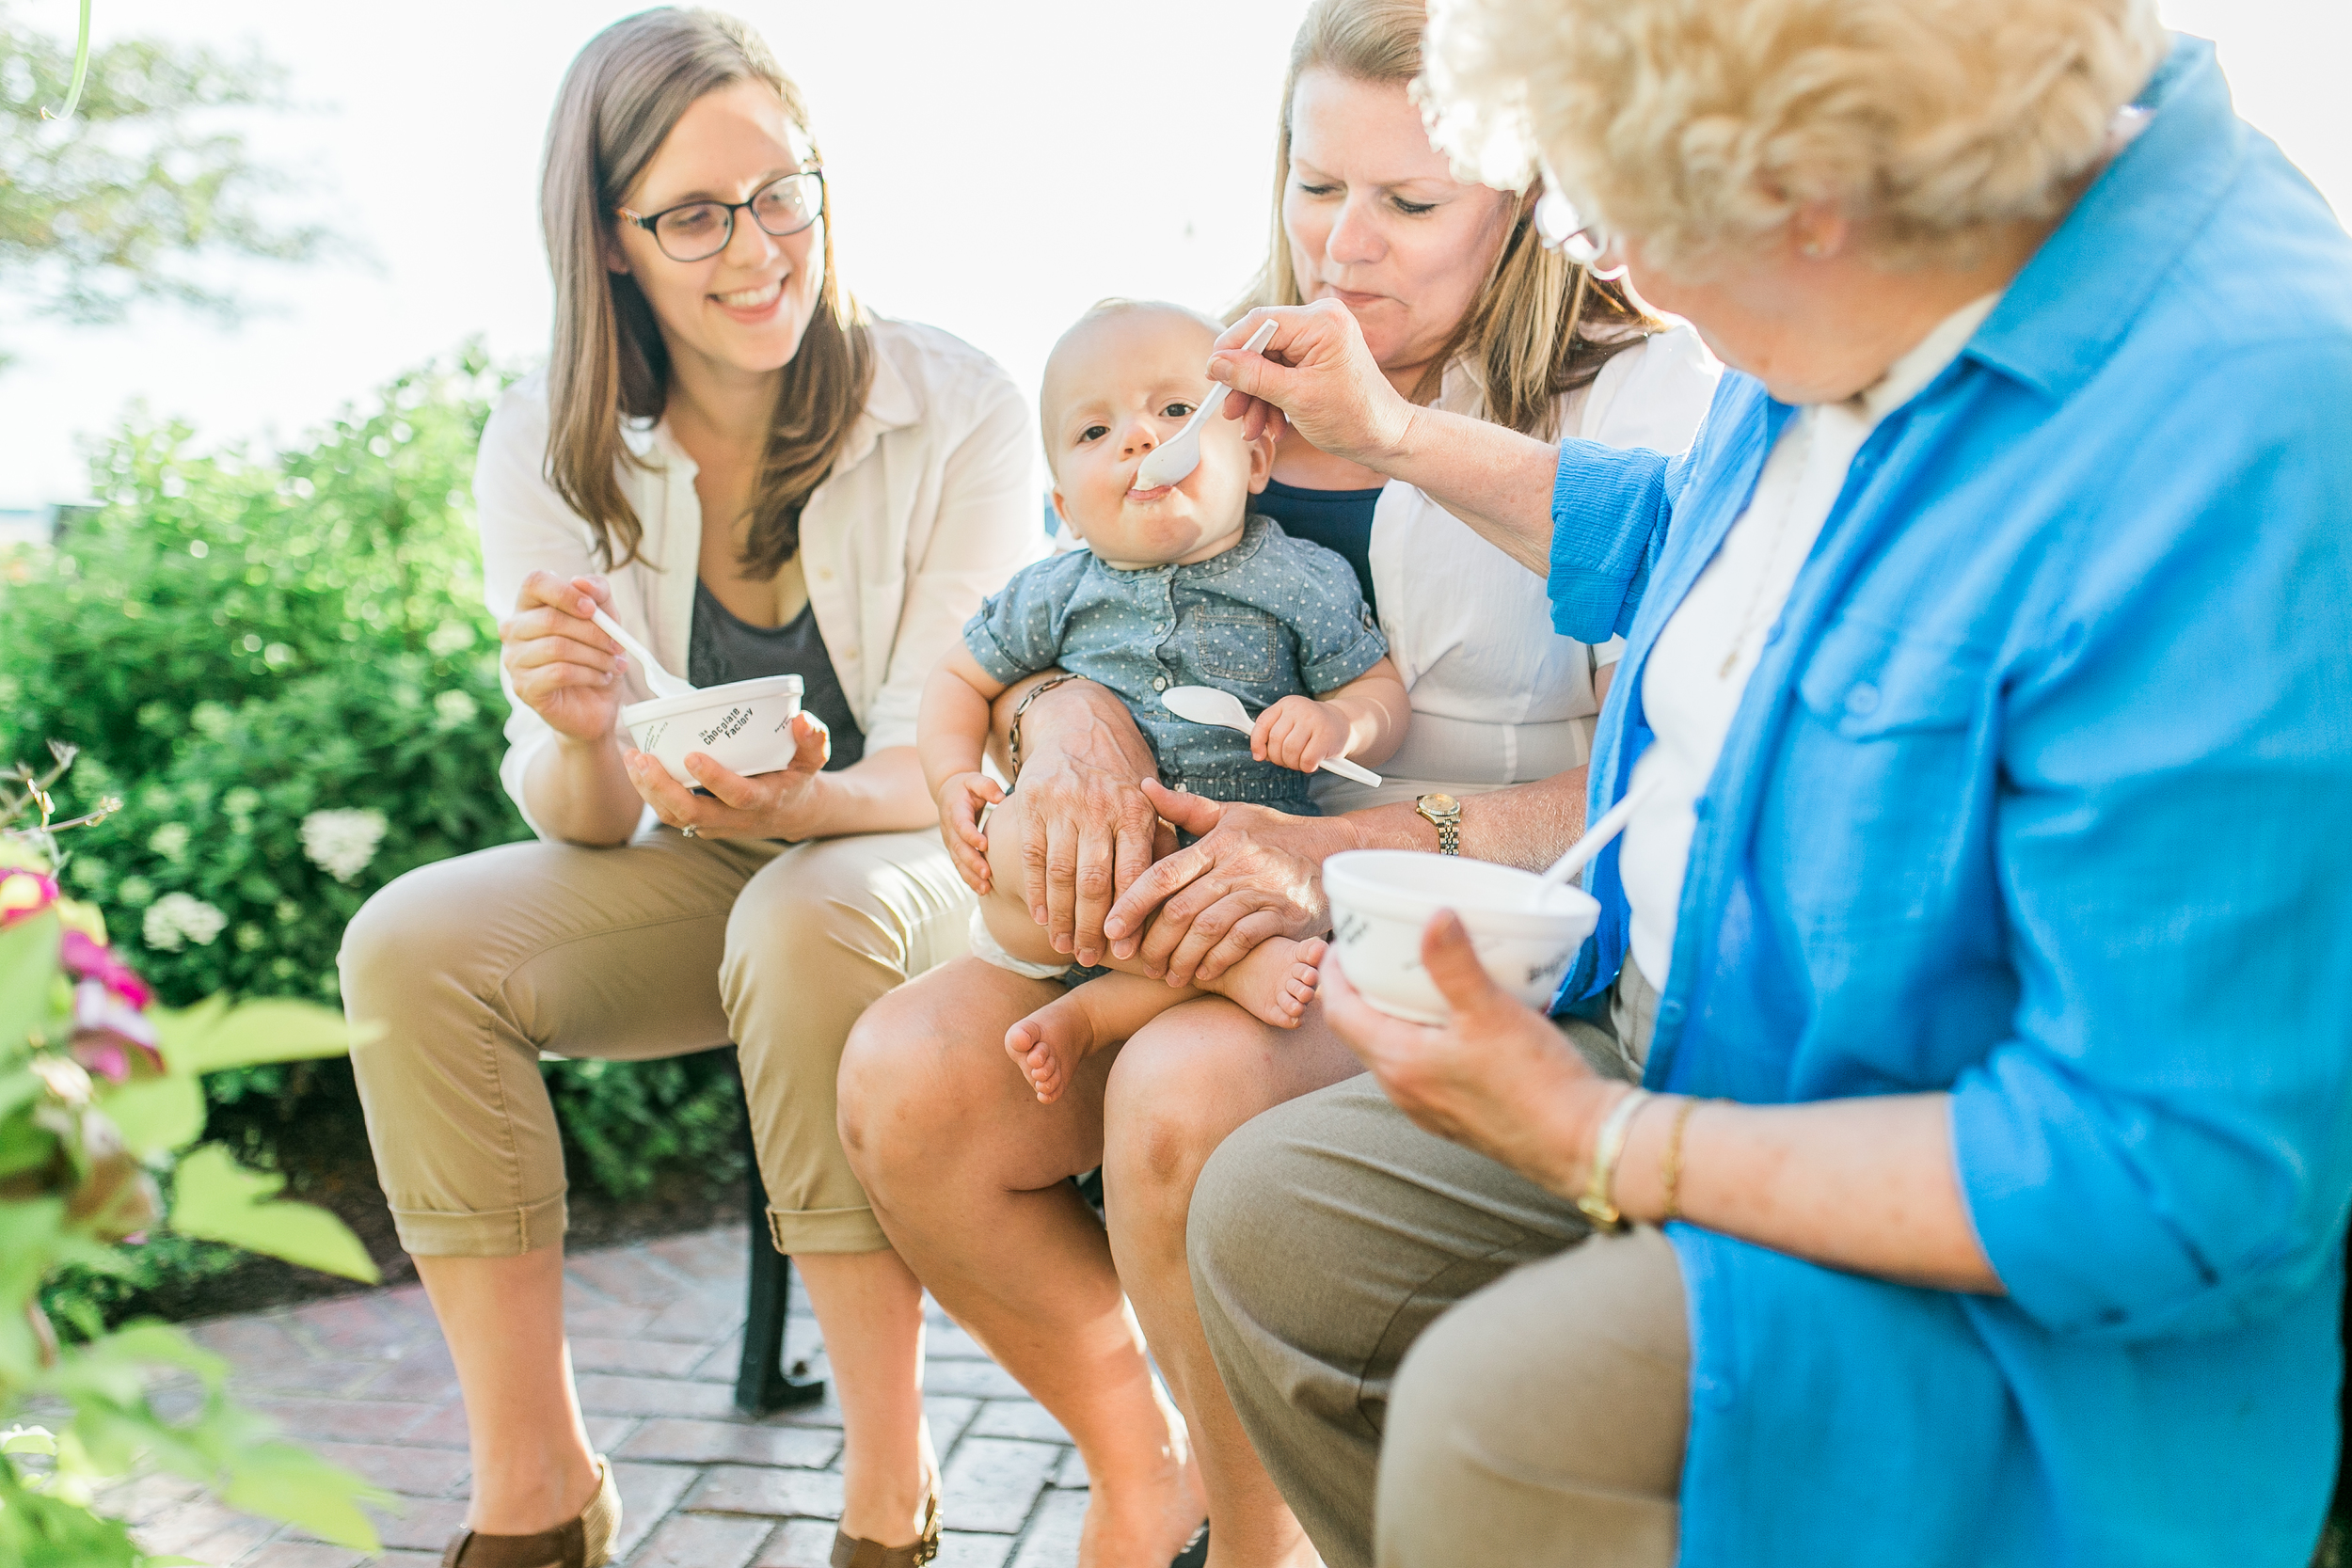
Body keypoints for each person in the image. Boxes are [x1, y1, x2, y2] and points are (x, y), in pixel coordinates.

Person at [1174, 2, 2352, 1565]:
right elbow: (1722, 557)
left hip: (1982, 1278)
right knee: (1281, 1227)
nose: (1613, 268)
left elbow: (2169, 1175)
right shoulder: (1909, 252)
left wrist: (1608, 1148)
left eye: (1615, 218)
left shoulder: (2244, 422)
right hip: (1689, 1047)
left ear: (1811, 188)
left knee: (1497, 1417)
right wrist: (1394, 436)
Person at [834, 3, 1717, 1562]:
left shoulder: (1632, 393)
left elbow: (1661, 761)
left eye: (1412, 202)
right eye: (1318, 188)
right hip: (1190, 885)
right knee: (905, 1074)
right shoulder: (1207, 358)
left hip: (1465, 922)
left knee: (1183, 1096)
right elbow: (1076, 592)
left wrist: (1346, 848)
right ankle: (1143, 1466)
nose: (1344, 250)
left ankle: (1261, 1546)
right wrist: (1065, 729)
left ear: (1526, 190)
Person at [336, 12, 1039, 1567]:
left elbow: (951, 752)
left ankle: (889, 1502)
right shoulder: (545, 437)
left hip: (920, 856)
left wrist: (797, 812)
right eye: (696, 215)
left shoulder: (961, 404)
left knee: (805, 920)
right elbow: (587, 813)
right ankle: (540, 1491)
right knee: (405, 946)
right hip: (716, 857)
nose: (758, 247)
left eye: (785, 192)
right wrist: (580, 728)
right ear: (606, 241)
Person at [924, 299, 1409, 1102]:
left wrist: (1336, 722)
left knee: (1276, 901)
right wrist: (949, 781)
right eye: (1094, 432)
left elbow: (1381, 694)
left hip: (1236, 868)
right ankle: (1223, 972)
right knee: (1009, 837)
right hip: (1075, 880)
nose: (1141, 438)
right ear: (1066, 510)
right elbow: (955, 680)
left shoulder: (1299, 578)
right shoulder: (1056, 590)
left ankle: (1092, 1018)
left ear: (1256, 461)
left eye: (1177, 411)